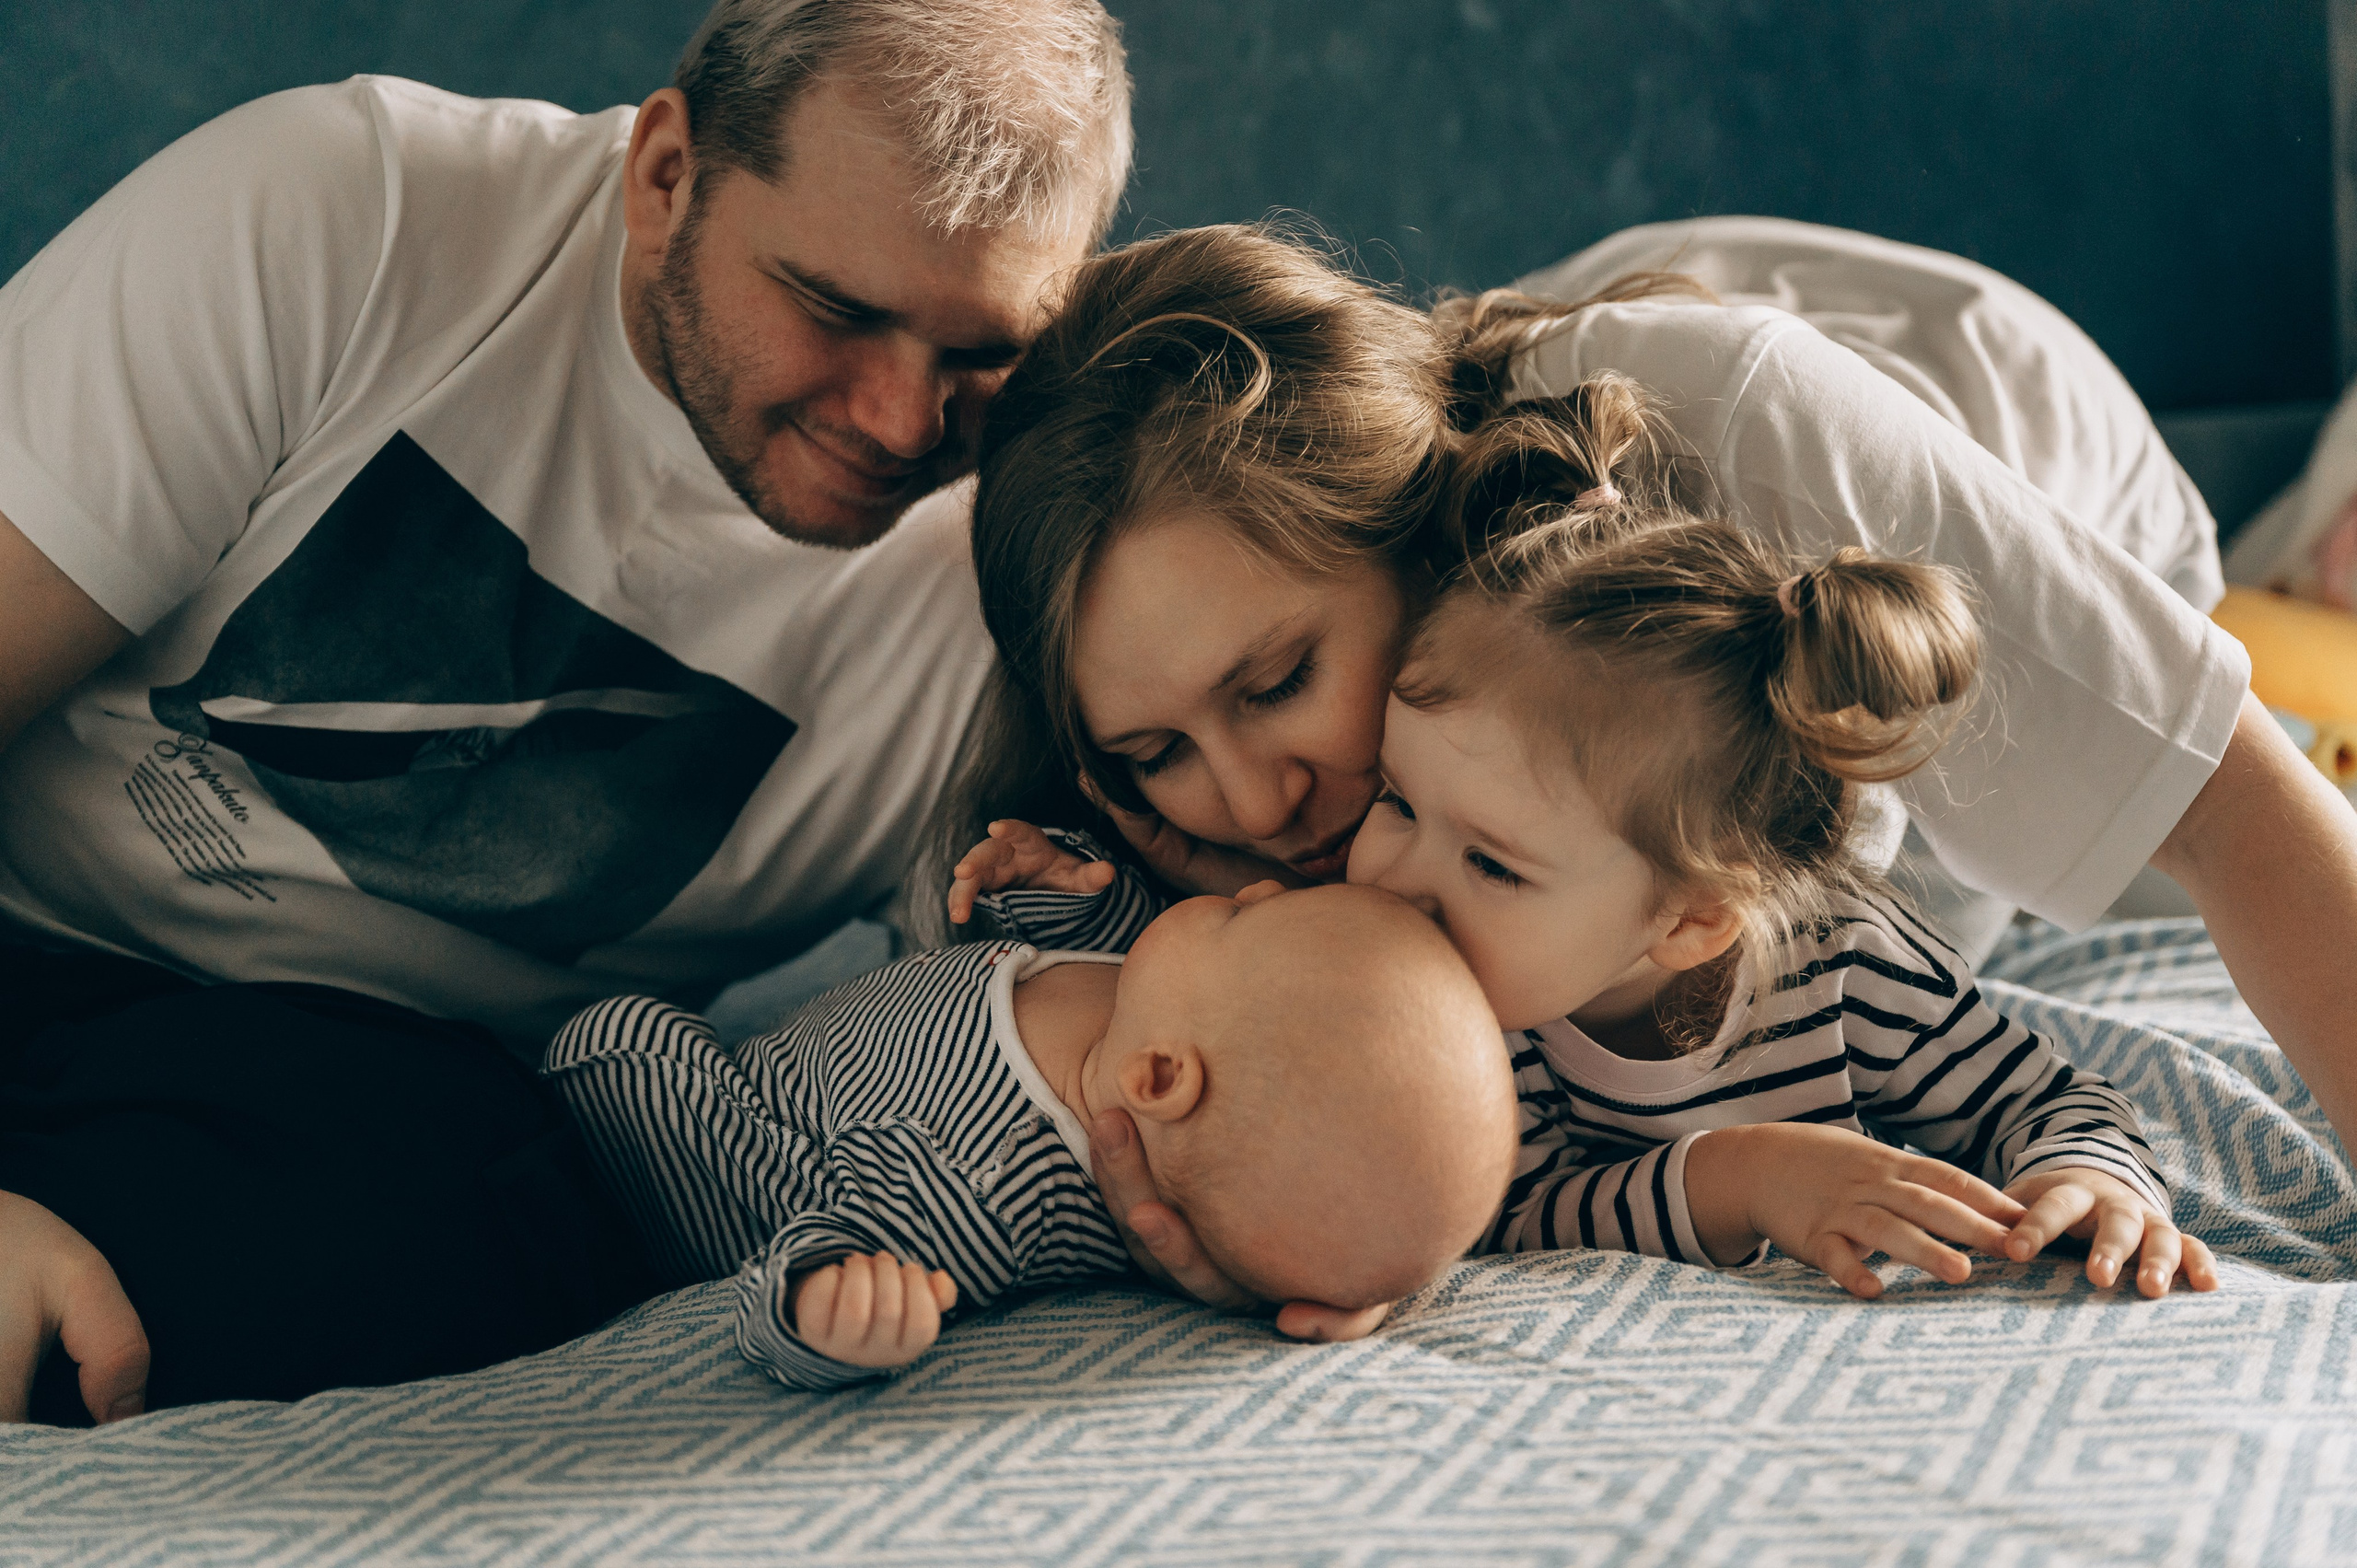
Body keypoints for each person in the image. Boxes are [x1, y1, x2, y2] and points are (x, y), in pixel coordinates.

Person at [0, 0, 1132, 1423]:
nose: (905, 423)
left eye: (981, 352)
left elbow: (1000, 1043)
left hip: (332, 1098)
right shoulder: (341, 212)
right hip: (20, 919)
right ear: (667, 173)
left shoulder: (1013, 586)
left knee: (507, 1216)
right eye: (837, 311)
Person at [958, 219, 2357, 1324]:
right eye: (1155, 754)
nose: (1258, 807)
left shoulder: (1732, 425)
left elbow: (2234, 815)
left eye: (1276, 685)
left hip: (2012, 452)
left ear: (1402, 532)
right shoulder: (1243, 797)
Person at [1353, 383, 2212, 1298]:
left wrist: (2086, 1181)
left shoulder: (1845, 964)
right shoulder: (1459, 1000)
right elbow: (1497, 1214)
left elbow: (2039, 1098)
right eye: (1396, 799)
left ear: (1692, 916)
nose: (1389, 875)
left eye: (1490, 861)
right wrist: (1742, 1179)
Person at [543, 865, 1516, 1387]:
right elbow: (1093, 941)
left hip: (738, 1141)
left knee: (618, 1033)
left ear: (1163, 1076)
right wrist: (1047, 879)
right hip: (796, 1052)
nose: (1257, 886)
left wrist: (825, 1310)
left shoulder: (987, 1184)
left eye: (1241, 919)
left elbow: (825, 1246)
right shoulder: (1145, 1006)